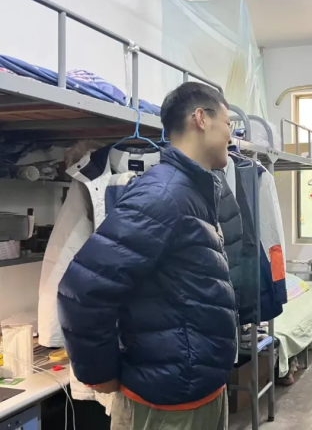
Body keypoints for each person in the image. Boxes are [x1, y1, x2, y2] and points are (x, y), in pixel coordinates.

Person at [58, 82, 236, 430]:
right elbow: (81, 290)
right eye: (229, 123)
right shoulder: (162, 195)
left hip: (197, 390)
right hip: (165, 404)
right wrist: (99, 373)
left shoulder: (193, 191)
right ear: (201, 118)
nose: (232, 135)